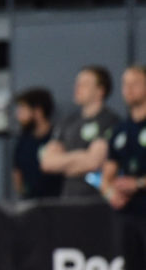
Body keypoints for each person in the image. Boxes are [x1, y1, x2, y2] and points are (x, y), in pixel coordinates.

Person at [100, 66, 146, 270]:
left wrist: (138, 183)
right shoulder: (119, 131)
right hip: (129, 215)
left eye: (135, 83)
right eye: (124, 83)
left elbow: (133, 180)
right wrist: (110, 192)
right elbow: (104, 176)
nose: (128, 89)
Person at [41, 65, 120, 198]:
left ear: (100, 90)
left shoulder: (110, 120)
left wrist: (64, 163)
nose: (77, 88)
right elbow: (47, 162)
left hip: (96, 199)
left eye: (85, 84)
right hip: (68, 198)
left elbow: (94, 162)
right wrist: (82, 156)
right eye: (77, 83)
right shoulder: (68, 121)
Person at [12, 88, 63, 199]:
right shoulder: (22, 141)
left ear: (38, 112)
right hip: (30, 205)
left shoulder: (59, 137)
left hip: (58, 205)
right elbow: (17, 173)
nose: (18, 115)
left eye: (23, 109)